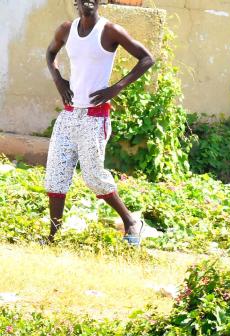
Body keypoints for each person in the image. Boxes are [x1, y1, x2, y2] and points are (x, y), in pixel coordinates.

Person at [44, 0, 154, 245]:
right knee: (55, 176)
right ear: (76, 1)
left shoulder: (109, 30)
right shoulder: (66, 29)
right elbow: (50, 53)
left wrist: (116, 88)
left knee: (93, 176)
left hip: (95, 116)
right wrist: (59, 80)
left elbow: (147, 59)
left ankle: (131, 221)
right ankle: (52, 237)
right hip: (69, 114)